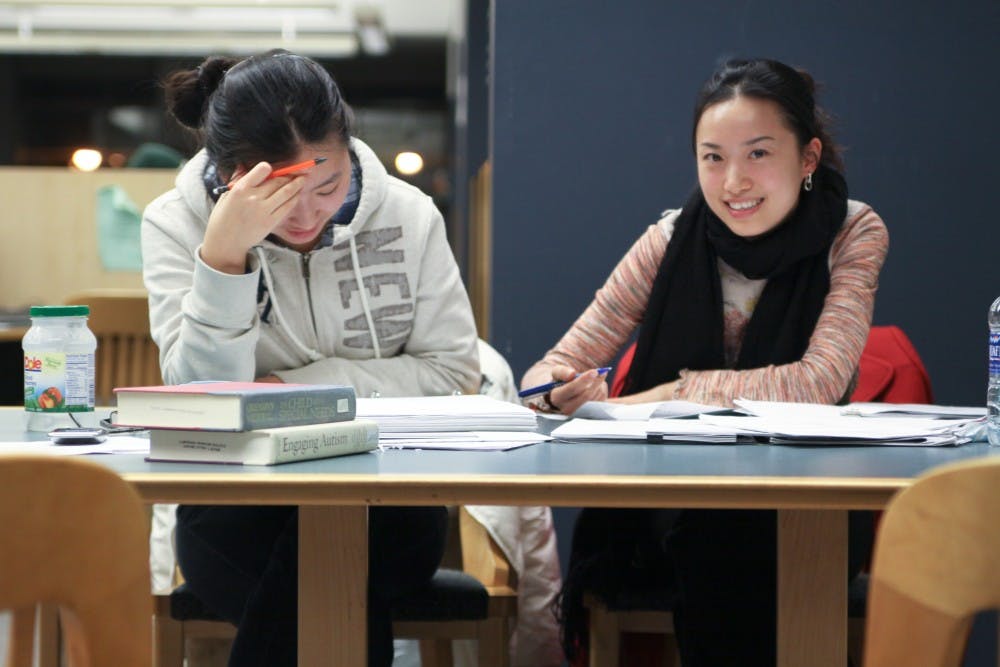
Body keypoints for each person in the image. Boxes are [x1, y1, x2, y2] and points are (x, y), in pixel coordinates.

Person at [521, 58, 889, 666]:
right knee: (718, 532)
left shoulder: (852, 231)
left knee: (735, 537)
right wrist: (557, 392)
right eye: (713, 157)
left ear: (808, 158)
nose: (733, 182)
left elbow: (817, 382)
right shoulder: (669, 240)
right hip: (678, 497)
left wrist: (658, 395)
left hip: (808, 498)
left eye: (759, 154)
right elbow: (544, 371)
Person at [141, 49, 479, 667]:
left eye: (328, 185)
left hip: (390, 503)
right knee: (334, 585)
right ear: (229, 176)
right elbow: (195, 403)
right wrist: (222, 257)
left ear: (349, 148)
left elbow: (455, 374)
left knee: (330, 561)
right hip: (236, 509)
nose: (307, 214)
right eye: (278, 195)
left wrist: (300, 389)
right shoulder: (175, 224)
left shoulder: (409, 216)